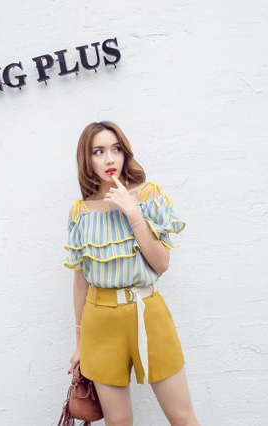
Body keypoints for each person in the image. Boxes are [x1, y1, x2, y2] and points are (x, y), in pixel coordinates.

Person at [63, 121, 200, 425]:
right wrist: (80, 342)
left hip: (147, 312)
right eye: (98, 151)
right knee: (118, 422)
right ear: (87, 159)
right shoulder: (80, 212)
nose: (110, 159)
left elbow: (161, 263)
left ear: (125, 153)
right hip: (100, 321)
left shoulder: (149, 195)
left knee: (182, 416)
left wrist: (133, 212)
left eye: (116, 149)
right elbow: (80, 281)